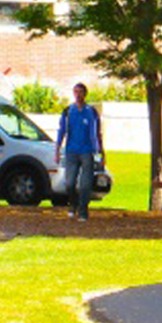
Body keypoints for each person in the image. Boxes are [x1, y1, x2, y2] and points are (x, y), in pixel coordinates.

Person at [55, 82, 105, 220]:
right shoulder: (68, 112)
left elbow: (98, 133)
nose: (78, 95)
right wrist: (57, 150)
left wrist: (101, 152)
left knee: (85, 184)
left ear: (85, 94)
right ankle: (73, 204)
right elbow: (62, 131)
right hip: (71, 151)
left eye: (80, 92)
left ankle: (83, 210)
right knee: (70, 182)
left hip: (87, 151)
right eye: (75, 92)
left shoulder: (91, 112)